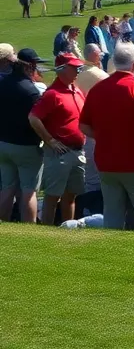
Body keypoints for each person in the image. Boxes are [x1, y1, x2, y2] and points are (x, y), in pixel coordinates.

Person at [79, 42, 134, 232]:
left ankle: (113, 247)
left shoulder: (98, 89)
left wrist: (104, 137)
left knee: (113, 211)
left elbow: (84, 125)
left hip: (107, 162)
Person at [28, 53, 87, 225]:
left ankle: (68, 228)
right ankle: (48, 230)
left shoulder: (76, 90)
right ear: (62, 70)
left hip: (78, 152)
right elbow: (34, 118)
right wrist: (50, 140)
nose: (78, 71)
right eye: (74, 68)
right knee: (53, 196)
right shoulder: (52, 94)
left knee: (71, 195)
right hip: (60, 153)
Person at [0, 47, 47, 223]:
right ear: (30, 66)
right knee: (29, 190)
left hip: (3, 143)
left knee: (7, 187)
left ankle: (3, 224)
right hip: (26, 146)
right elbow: (37, 119)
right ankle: (28, 228)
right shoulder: (31, 91)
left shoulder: (2, 83)